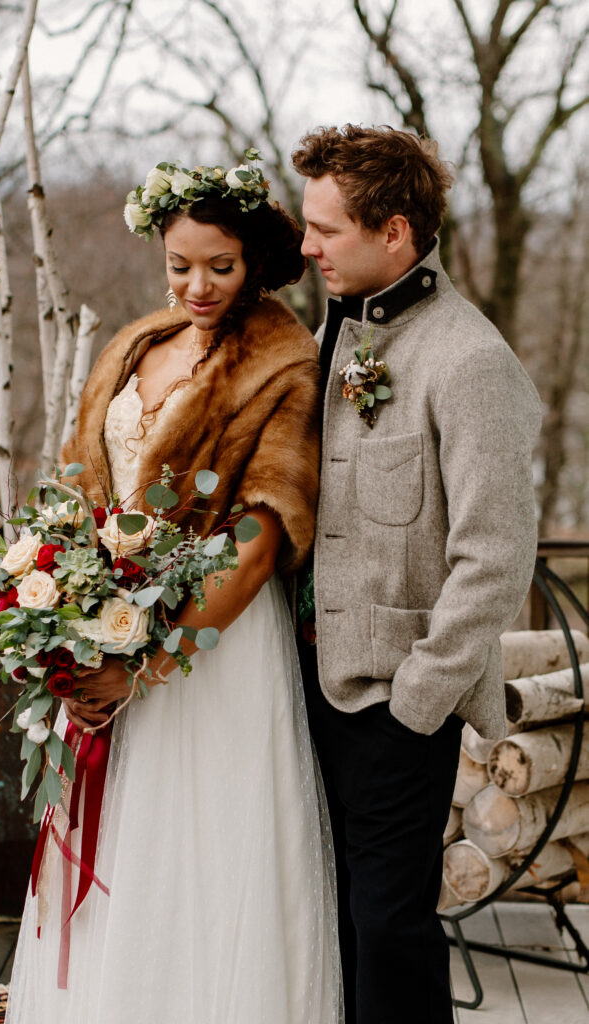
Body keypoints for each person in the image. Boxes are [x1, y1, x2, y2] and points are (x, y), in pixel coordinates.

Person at [6, 157, 342, 1024]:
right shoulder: (138, 343)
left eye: (219, 267)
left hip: (211, 646)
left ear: (255, 262)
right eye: (178, 266)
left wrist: (148, 661)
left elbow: (261, 539)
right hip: (110, 621)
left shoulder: (282, 361)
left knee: (200, 852)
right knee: (120, 844)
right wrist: (69, 628)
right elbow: (84, 492)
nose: (196, 285)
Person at [291, 124, 542, 1024]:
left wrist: (419, 697)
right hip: (306, 685)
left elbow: (496, 553)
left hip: (396, 701)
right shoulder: (339, 329)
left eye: (326, 228)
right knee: (333, 920)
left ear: (394, 232)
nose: (307, 244)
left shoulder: (470, 361)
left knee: (388, 925)